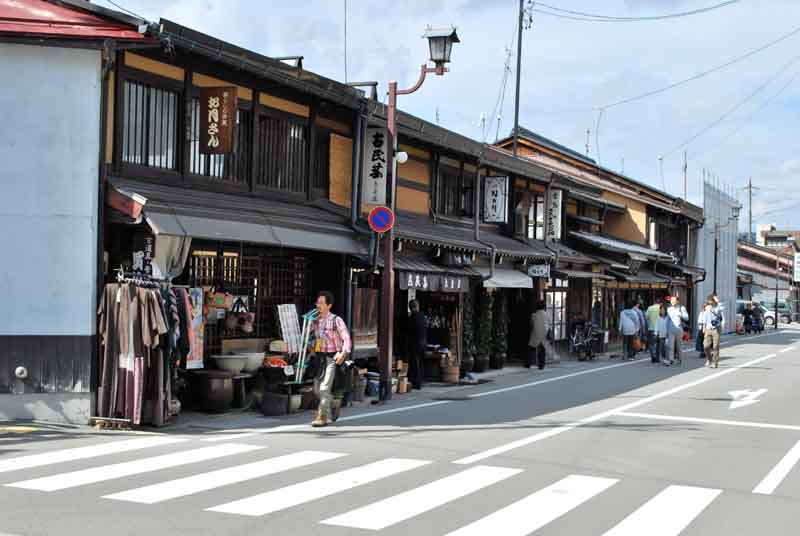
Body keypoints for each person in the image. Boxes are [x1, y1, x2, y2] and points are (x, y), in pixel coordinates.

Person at [309, 291, 352, 428]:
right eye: (317, 303)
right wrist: (310, 347)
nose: (318, 305)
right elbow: (309, 337)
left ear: (329, 305)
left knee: (324, 387)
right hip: (319, 357)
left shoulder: (336, 320)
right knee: (316, 388)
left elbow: (346, 338)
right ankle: (333, 403)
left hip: (332, 357)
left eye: (321, 303)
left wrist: (343, 353)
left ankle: (322, 417)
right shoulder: (314, 321)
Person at [406, 300, 426, 390]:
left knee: (415, 363)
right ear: (417, 306)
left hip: (414, 343)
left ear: (410, 308)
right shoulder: (422, 316)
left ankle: (416, 383)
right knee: (420, 362)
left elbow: (409, 331)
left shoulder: (412, 318)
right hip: (423, 342)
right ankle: (420, 381)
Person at [703, 293, 725, 368]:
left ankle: (715, 363)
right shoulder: (707, 307)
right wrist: (704, 327)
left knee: (716, 346)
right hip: (708, 328)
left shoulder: (718, 307)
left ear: (714, 301)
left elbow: (722, 308)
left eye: (711, 301)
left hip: (716, 328)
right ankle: (709, 359)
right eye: (709, 301)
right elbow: (705, 317)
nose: (710, 302)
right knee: (706, 346)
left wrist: (718, 301)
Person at [666, 296, 689, 365]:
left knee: (679, 346)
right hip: (671, 329)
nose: (672, 301)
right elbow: (668, 320)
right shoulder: (669, 309)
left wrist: (680, 314)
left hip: (679, 329)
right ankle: (671, 360)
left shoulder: (682, 308)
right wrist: (666, 329)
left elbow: (687, 318)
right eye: (671, 300)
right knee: (670, 346)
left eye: (674, 300)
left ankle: (680, 359)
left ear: (677, 301)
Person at [528, 300, 549, 370]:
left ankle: (529, 363)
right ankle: (541, 365)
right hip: (543, 334)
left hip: (535, 333)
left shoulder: (534, 315)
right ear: (544, 307)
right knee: (542, 350)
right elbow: (548, 325)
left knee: (531, 348)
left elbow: (531, 324)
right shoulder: (546, 314)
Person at [645, 299, 663, 363]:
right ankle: (658, 358)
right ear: (660, 303)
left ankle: (653, 356)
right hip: (660, 329)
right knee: (659, 344)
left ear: (654, 302)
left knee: (651, 344)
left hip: (651, 328)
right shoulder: (661, 308)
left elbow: (646, 317)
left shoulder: (650, 308)